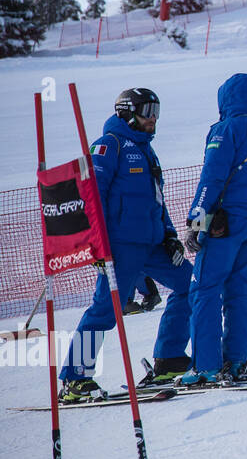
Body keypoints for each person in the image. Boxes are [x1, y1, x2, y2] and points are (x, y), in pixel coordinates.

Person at [57, 88, 194, 401]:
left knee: (192, 285)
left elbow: (156, 201)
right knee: (107, 308)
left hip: (153, 243)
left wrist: (170, 234)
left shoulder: (147, 151)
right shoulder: (110, 146)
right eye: (147, 110)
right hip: (120, 246)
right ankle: (75, 378)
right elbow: (90, 196)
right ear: (127, 112)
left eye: (157, 110)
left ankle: (170, 358)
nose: (153, 118)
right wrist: (95, 243)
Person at [181, 74, 247, 384]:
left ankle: (206, 367)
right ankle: (236, 362)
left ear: (225, 99)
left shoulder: (225, 130)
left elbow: (211, 179)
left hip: (224, 225)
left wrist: (197, 223)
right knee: (238, 291)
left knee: (205, 290)